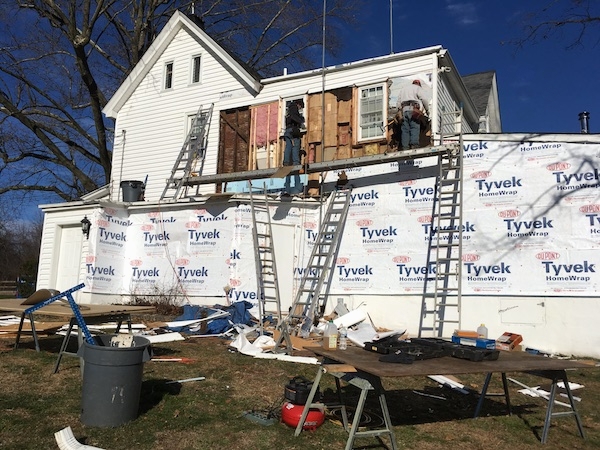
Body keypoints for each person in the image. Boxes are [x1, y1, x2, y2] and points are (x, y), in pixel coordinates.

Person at [396, 79, 431, 150]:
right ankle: (414, 145)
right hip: (413, 110)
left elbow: (398, 103)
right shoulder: (417, 88)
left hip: (404, 110)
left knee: (405, 129)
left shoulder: (403, 89)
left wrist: (399, 111)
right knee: (414, 127)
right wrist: (427, 111)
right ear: (418, 84)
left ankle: (405, 147)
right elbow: (424, 99)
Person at [283, 98, 305, 166]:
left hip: (287, 130)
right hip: (293, 130)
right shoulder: (294, 108)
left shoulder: (289, 109)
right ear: (298, 104)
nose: (299, 109)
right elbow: (294, 116)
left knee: (288, 146)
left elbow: (291, 117)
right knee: (296, 146)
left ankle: (286, 162)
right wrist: (301, 122)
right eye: (300, 107)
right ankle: (296, 163)